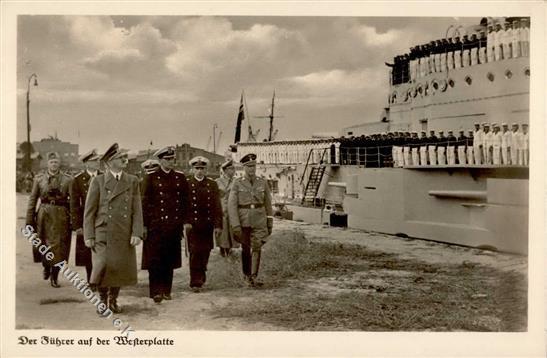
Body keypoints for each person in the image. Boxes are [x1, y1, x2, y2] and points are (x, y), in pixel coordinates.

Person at [83, 143, 143, 313]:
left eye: (125, 157)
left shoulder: (132, 180)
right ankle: (102, 300)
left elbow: (137, 209)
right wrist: (88, 235)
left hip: (123, 232)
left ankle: (113, 299)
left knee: (118, 267)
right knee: (103, 264)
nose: (125, 160)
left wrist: (136, 232)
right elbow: (89, 211)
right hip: (102, 231)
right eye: (120, 158)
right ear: (109, 162)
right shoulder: (98, 181)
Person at [141, 146, 188, 303]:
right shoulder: (151, 177)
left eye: (171, 159)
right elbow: (145, 203)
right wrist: (144, 226)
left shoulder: (179, 178)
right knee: (155, 260)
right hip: (156, 226)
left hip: (173, 225)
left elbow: (184, 202)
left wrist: (183, 222)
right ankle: (156, 291)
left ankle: (167, 290)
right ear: (160, 160)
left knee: (169, 259)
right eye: (167, 159)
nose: (170, 162)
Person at [25, 152, 72, 288]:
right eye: (51, 162)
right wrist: (29, 220)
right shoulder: (39, 179)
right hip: (44, 215)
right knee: (43, 245)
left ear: (59, 163)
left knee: (59, 247)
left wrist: (73, 220)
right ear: (47, 163)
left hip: (61, 216)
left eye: (56, 162)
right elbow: (32, 200)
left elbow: (73, 201)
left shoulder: (68, 180)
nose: (54, 164)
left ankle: (55, 275)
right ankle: (46, 265)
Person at [228, 153, 274, 287]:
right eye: (248, 167)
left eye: (253, 166)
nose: (251, 169)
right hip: (244, 221)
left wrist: (269, 222)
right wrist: (235, 225)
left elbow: (268, 203)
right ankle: (246, 275)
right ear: (243, 168)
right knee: (246, 248)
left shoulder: (262, 182)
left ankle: (254, 276)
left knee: (257, 246)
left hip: (259, 220)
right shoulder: (237, 183)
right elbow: (232, 205)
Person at [183, 156, 223, 292]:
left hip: (207, 224)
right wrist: (186, 222)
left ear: (206, 169)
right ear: (192, 169)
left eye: (202, 168)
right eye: (197, 168)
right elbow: (184, 206)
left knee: (205, 251)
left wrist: (218, 225)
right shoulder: (187, 184)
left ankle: (201, 274)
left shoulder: (212, 184)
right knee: (194, 252)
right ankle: (195, 281)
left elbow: (217, 206)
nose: (199, 171)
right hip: (193, 225)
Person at [69, 149, 101, 282]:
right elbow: (74, 204)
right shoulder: (77, 180)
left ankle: (101, 279)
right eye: (94, 161)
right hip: (86, 220)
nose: (98, 162)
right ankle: (91, 280)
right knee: (88, 252)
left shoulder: (104, 176)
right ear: (87, 163)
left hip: (102, 219)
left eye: (98, 160)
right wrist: (77, 226)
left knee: (102, 250)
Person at [215, 159, 240, 257]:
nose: (233, 171)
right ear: (225, 170)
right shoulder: (217, 182)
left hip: (232, 211)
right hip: (221, 211)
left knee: (232, 230)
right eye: (230, 169)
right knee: (222, 231)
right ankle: (222, 249)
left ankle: (230, 249)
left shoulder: (236, 181)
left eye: (233, 168)